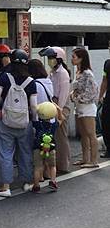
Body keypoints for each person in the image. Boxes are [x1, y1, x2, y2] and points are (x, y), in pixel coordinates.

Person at [0, 49, 38, 198]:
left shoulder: (5, 77)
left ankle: (5, 187)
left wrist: (4, 106)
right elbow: (34, 106)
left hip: (5, 122)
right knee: (25, 152)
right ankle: (27, 183)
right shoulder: (31, 82)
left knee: (5, 153)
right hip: (25, 123)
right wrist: (34, 122)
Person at [39, 46, 71, 174]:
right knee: (54, 136)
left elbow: (63, 95)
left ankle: (63, 165)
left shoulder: (63, 73)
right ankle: (56, 164)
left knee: (61, 136)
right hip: (53, 104)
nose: (50, 60)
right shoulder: (52, 72)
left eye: (52, 57)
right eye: (49, 58)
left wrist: (60, 112)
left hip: (60, 106)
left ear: (59, 59)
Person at [70, 48, 100, 168]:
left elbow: (92, 92)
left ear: (81, 58)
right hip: (79, 106)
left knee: (90, 134)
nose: (72, 59)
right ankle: (85, 158)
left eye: (74, 57)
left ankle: (93, 160)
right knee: (83, 134)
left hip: (87, 106)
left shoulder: (87, 73)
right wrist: (73, 95)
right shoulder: (78, 72)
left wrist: (76, 98)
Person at [31, 101, 59, 193]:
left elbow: (33, 117)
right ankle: (53, 181)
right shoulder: (53, 125)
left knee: (37, 167)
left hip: (38, 148)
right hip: (51, 149)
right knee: (52, 166)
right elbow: (61, 119)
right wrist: (57, 110)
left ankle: (36, 185)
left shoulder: (37, 124)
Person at [98, 47, 110, 158]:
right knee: (106, 122)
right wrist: (100, 96)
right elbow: (104, 80)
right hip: (108, 97)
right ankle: (108, 149)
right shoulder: (107, 63)